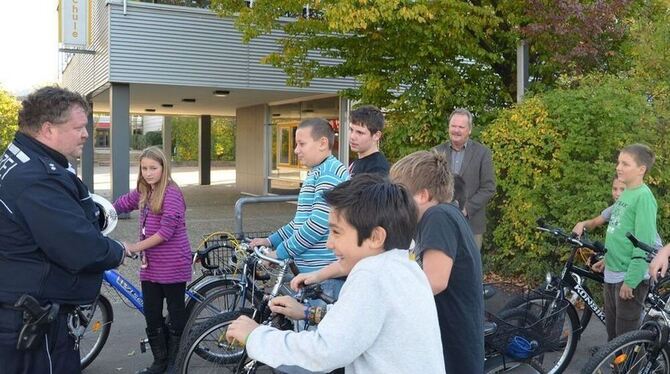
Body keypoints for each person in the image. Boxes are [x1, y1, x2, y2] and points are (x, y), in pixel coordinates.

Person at [226, 175, 445, 374]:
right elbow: (361, 318)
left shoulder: (372, 274)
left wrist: (255, 336)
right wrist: (307, 312)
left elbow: (323, 351)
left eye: (337, 232)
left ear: (376, 237)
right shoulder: (405, 264)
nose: (330, 243)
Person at [0, 86, 125, 373]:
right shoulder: (36, 177)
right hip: (32, 322)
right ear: (48, 130)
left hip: (23, 310)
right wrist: (116, 251)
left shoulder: (23, 159)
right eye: (78, 127)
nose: (86, 134)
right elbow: (82, 248)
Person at [389, 150, 484, 373]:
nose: (396, 203)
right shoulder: (445, 214)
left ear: (422, 195)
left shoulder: (438, 217)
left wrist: (385, 302)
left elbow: (434, 282)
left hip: (452, 349)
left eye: (401, 195)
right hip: (454, 342)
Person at [112, 146, 192, 373]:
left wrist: (135, 246)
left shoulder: (172, 193)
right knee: (152, 314)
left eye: (153, 168)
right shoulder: (144, 190)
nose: (148, 173)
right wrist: (100, 212)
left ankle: (175, 363)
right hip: (151, 266)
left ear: (163, 168)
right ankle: (160, 362)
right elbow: (122, 204)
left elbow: (165, 233)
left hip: (174, 264)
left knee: (176, 315)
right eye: (144, 168)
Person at [249, 118, 349, 298]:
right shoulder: (318, 171)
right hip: (313, 277)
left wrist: (279, 252)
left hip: (324, 279)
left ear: (322, 143)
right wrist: (271, 241)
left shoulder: (329, 173)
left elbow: (317, 225)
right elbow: (300, 222)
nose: (296, 150)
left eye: (301, 144)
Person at [595, 144, 657, 341]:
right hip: (612, 272)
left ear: (641, 170)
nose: (618, 167)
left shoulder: (643, 197)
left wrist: (631, 280)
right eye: (618, 162)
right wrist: (607, 258)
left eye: (625, 163)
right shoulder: (627, 193)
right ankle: (617, 366)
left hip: (629, 278)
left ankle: (633, 368)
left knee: (626, 338)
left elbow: (643, 243)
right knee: (613, 333)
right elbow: (620, 232)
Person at [434, 108, 496, 249]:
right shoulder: (436, 152)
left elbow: (489, 187)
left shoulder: (482, 153)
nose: (456, 130)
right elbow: (430, 184)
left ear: (469, 130)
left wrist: (466, 209)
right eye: (453, 126)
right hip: (442, 221)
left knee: (469, 268)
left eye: (461, 127)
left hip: (472, 223)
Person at [573, 176, 662, 248]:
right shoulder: (616, 207)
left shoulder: (638, 206)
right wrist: (581, 224)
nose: (617, 193)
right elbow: (595, 222)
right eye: (615, 189)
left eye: (622, 189)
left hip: (651, 255)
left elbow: (642, 240)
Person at [347, 105, 389, 177]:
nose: (352, 136)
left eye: (360, 132)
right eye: (351, 130)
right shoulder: (358, 162)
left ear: (376, 135)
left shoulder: (377, 169)